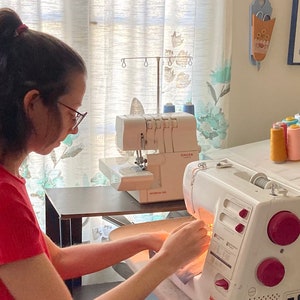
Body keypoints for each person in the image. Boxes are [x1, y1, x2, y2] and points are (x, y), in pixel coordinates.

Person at [0, 8, 210, 300]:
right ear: (33, 104)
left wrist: (144, 239)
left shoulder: (8, 180)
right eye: (72, 113)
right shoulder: (4, 200)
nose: (74, 129)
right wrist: (167, 262)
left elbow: (58, 260)